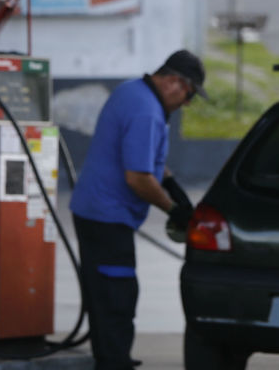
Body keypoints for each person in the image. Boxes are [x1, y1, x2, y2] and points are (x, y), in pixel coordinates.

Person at [69, 49, 207, 370]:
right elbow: (138, 178)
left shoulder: (132, 91)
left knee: (104, 295)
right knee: (118, 297)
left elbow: (148, 160)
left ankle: (110, 357)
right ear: (173, 81)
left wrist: (172, 186)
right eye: (188, 95)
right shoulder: (147, 111)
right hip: (107, 217)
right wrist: (174, 209)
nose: (186, 103)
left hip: (93, 211)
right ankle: (113, 362)